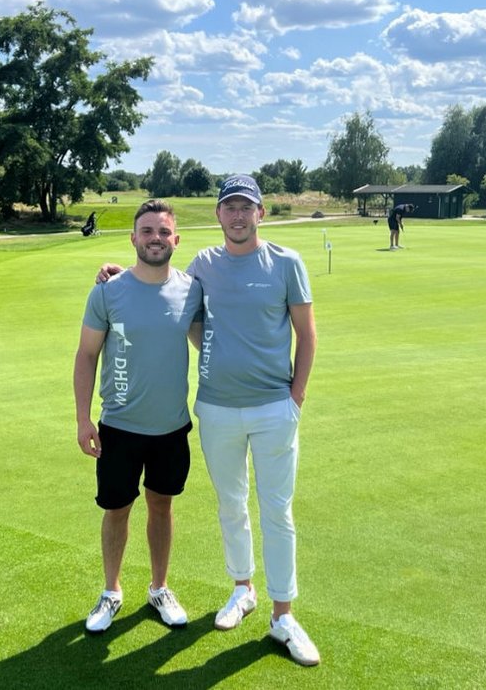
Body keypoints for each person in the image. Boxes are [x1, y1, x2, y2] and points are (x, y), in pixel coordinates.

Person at [98, 174, 320, 666]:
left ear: (260, 213)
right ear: (218, 216)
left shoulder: (287, 263)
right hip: (216, 407)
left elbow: (307, 334)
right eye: (230, 207)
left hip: (272, 407)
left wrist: (295, 398)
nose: (238, 215)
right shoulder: (202, 266)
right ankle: (242, 589)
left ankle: (283, 614)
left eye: (247, 207)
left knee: (277, 510)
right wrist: (117, 273)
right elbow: (165, 294)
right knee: (231, 505)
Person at [73, 200, 203, 634]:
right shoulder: (108, 291)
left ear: (175, 239)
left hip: (171, 427)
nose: (155, 239)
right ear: (133, 238)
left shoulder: (192, 289)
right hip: (119, 427)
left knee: (161, 507)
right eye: (147, 231)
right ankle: (111, 592)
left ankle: (159, 588)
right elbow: (87, 355)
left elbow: (212, 341)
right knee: (116, 510)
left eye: (164, 232)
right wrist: (82, 418)